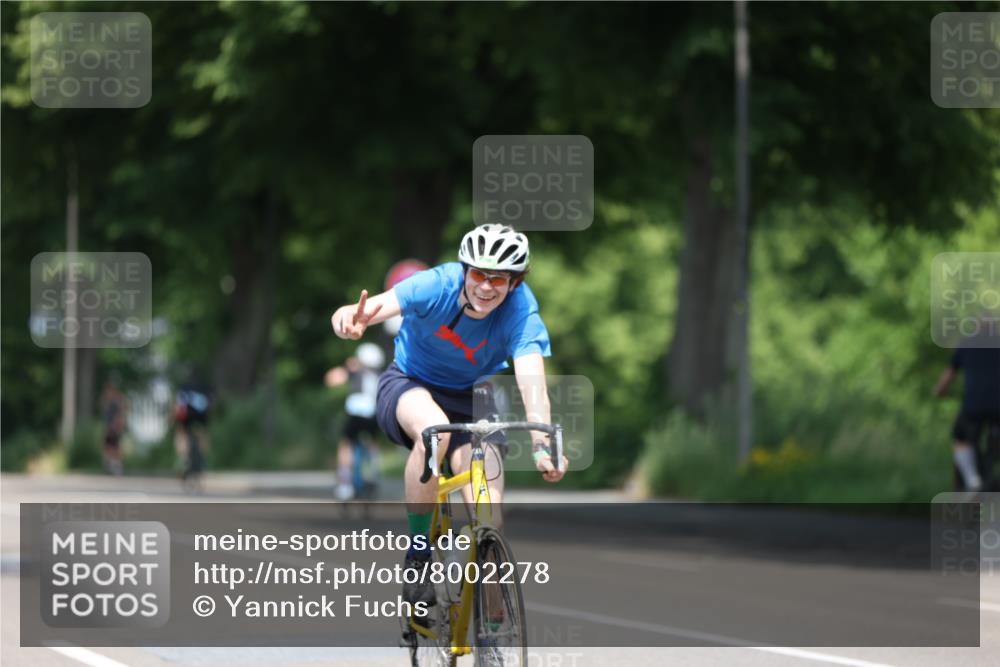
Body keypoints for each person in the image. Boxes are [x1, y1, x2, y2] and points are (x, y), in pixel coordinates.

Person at [331, 224, 568, 606]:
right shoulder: (435, 284)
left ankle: (493, 633)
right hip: (410, 383)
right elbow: (366, 308)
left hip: (474, 396)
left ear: (515, 282)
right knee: (433, 433)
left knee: (488, 511)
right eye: (478, 274)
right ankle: (419, 554)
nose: (486, 287)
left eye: (499, 279)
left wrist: (543, 442)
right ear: (464, 270)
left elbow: (532, 381)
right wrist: (346, 321)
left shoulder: (521, 310)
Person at [934, 324, 1000, 491]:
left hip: (973, 406)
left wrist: (939, 392)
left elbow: (948, 376)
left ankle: (972, 480)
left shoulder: (967, 344)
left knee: (961, 438)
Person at [325, 342, 386, 500]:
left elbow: (332, 379)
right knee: (373, 442)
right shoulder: (381, 375)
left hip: (355, 413)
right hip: (373, 415)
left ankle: (345, 483)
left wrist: (347, 367)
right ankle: (373, 472)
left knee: (346, 444)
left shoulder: (355, 370)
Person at [174, 379, 213, 484]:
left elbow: (179, 405)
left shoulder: (184, 386)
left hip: (187, 415)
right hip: (201, 415)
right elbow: (210, 403)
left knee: (181, 433)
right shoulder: (205, 386)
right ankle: (203, 460)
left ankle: (184, 458)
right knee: (203, 434)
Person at [99, 377, 128, 476]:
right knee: (108, 447)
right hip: (109, 426)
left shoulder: (116, 401)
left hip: (114, 427)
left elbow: (120, 414)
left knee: (114, 447)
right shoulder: (108, 401)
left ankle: (117, 466)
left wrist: (117, 425)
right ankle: (111, 465)